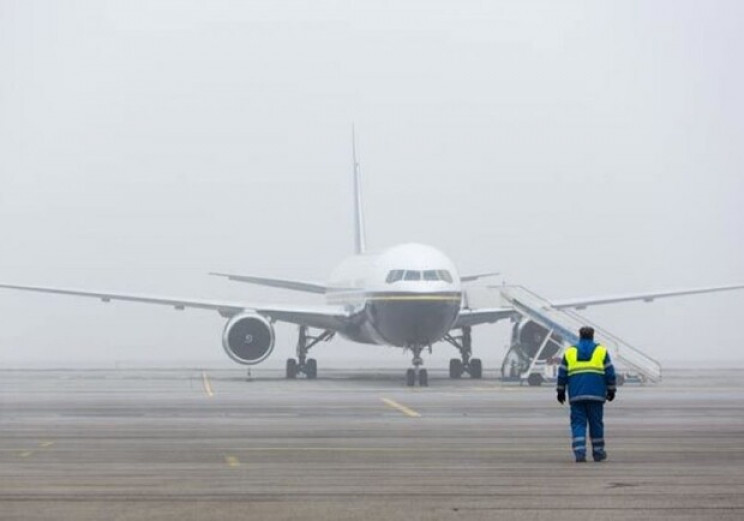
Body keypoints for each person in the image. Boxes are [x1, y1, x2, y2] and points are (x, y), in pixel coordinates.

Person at [556, 326, 617, 462]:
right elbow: (610, 373)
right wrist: (611, 390)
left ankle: (579, 453)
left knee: (578, 424)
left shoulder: (570, 352)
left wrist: (560, 391)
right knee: (596, 424)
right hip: (596, 395)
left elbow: (562, 374)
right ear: (592, 335)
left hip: (576, 394)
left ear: (580, 335)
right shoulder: (601, 351)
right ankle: (598, 452)